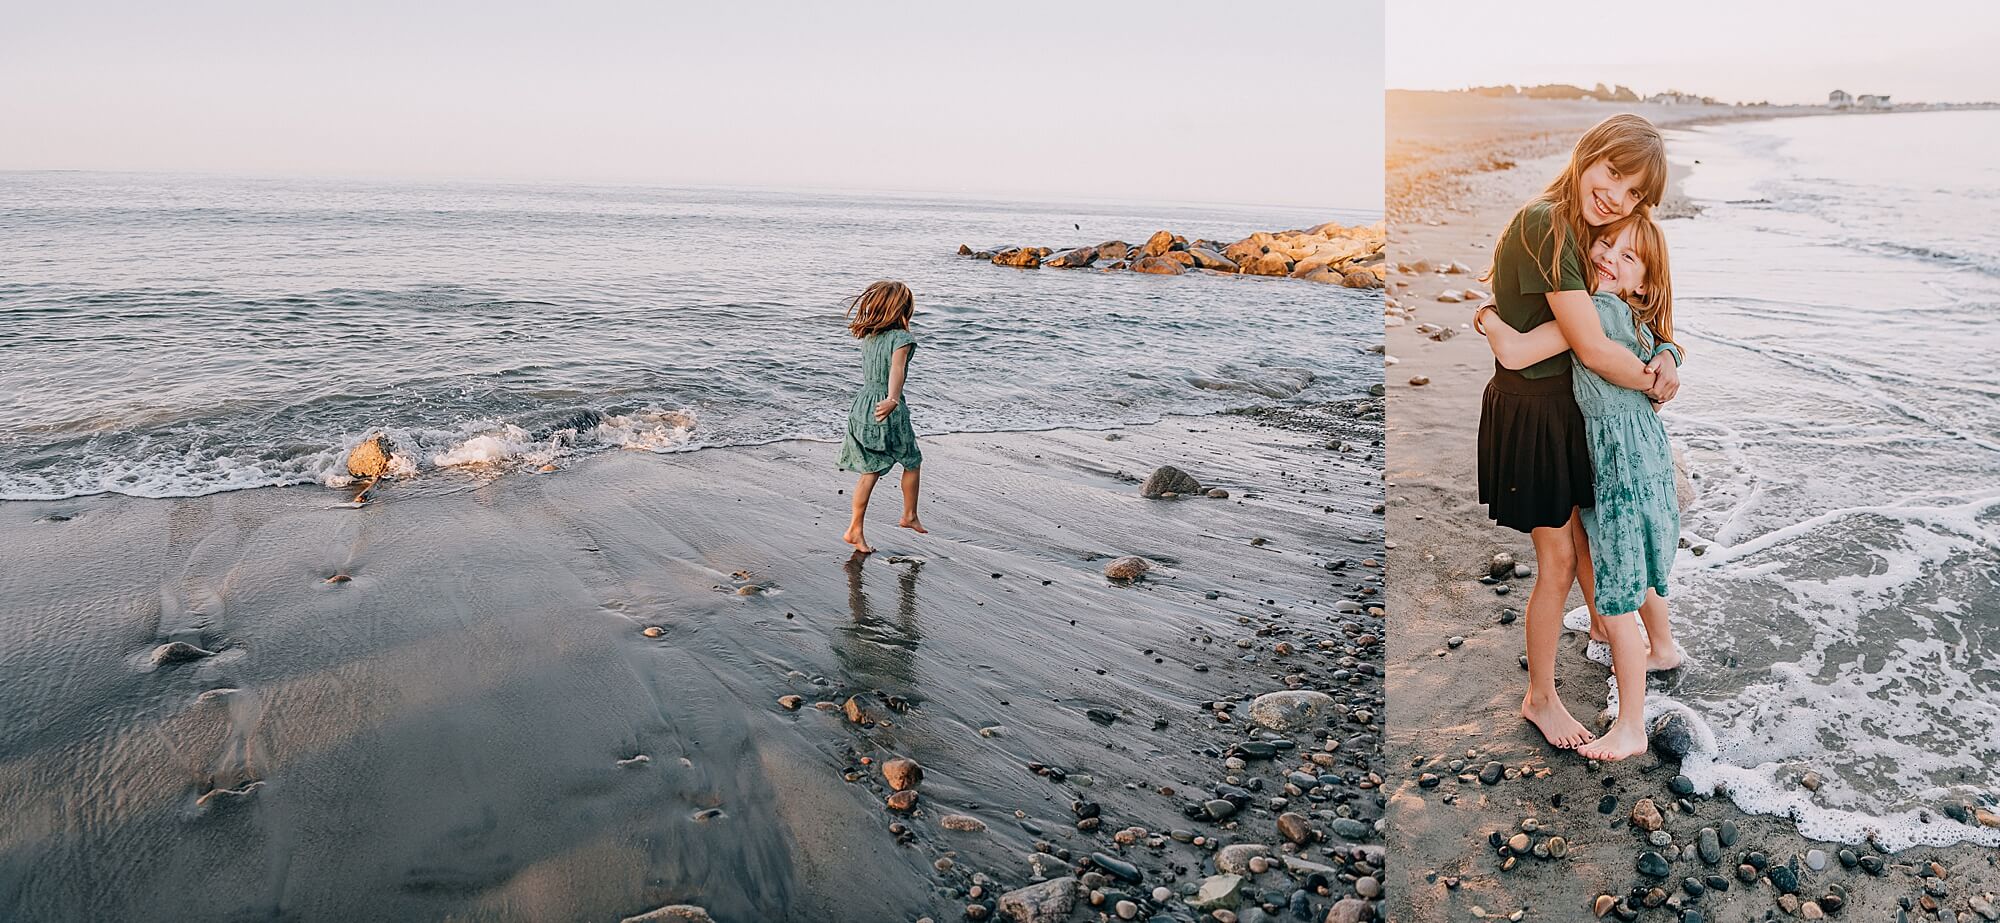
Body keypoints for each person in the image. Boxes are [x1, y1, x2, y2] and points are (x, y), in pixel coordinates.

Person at [1474, 113, 1680, 749]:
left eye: (1635, 192)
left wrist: (1669, 353)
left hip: (1568, 413)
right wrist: (1654, 380)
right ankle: (1542, 697)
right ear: (1587, 154)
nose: (1617, 195)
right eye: (1614, 174)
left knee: (1587, 546)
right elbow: (1590, 345)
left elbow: (1634, 321)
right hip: (1535, 415)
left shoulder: (1585, 235)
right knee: (1559, 560)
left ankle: (1615, 632)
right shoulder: (1548, 223)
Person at [837, 280, 928, 553]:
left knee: (870, 470)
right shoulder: (902, 339)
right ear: (903, 309)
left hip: (862, 404)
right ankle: (909, 515)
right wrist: (892, 399)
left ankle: (855, 528)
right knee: (912, 460)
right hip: (887, 406)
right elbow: (896, 370)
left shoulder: (870, 337)